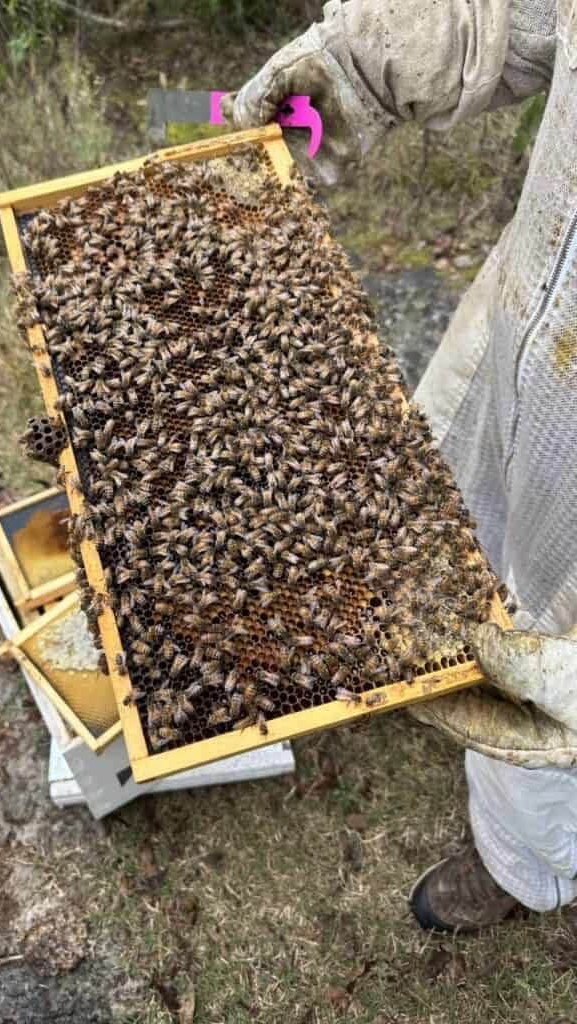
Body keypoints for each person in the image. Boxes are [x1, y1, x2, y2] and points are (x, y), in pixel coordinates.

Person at [224, 0, 577, 932]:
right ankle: (418, 664)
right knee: (435, 520)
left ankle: (525, 865)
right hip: (537, 315)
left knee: (545, 672)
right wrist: (355, 59)